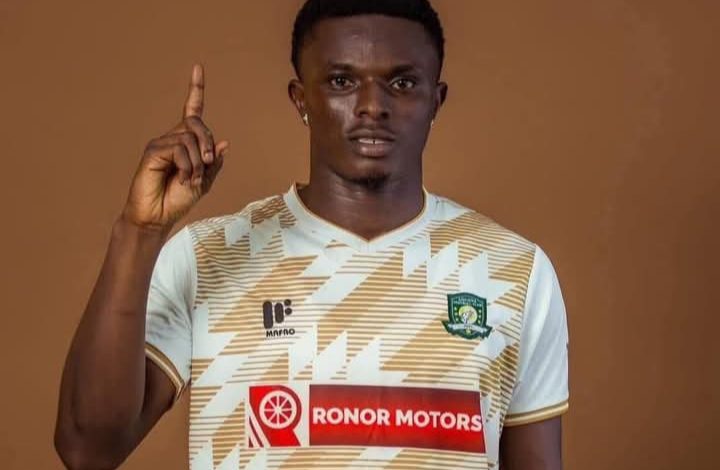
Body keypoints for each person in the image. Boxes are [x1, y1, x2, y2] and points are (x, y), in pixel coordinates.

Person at [54, 0, 569, 468]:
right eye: (342, 81)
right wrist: (140, 231)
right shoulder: (207, 256)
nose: (372, 105)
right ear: (301, 99)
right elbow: (86, 449)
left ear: (436, 102)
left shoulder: (513, 270)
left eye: (402, 83)